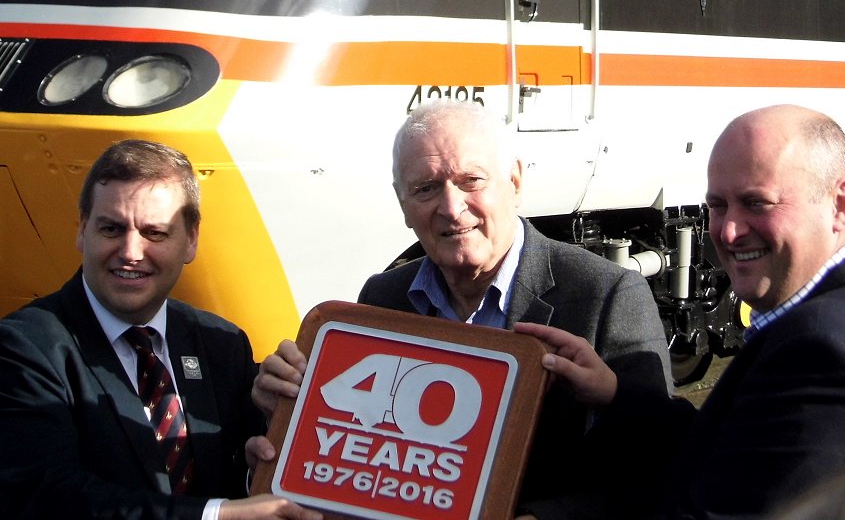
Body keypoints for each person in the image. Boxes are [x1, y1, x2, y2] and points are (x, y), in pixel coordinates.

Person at [523, 104, 845, 520]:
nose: (729, 231)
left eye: (757, 203)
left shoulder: (823, 351)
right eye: (717, 206)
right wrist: (616, 393)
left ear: (839, 204)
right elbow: (736, 447)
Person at [251, 100, 674, 520]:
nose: (451, 208)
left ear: (514, 181)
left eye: (471, 180)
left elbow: (658, 466)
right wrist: (289, 417)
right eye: (426, 189)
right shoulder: (382, 299)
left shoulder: (608, 294)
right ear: (402, 205)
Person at [0, 139, 321, 520]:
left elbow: (245, 480)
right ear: (82, 230)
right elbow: (44, 499)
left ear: (190, 240)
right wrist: (217, 516)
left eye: (154, 233)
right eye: (111, 228)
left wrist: (273, 442)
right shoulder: (21, 349)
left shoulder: (222, 344)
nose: (131, 252)